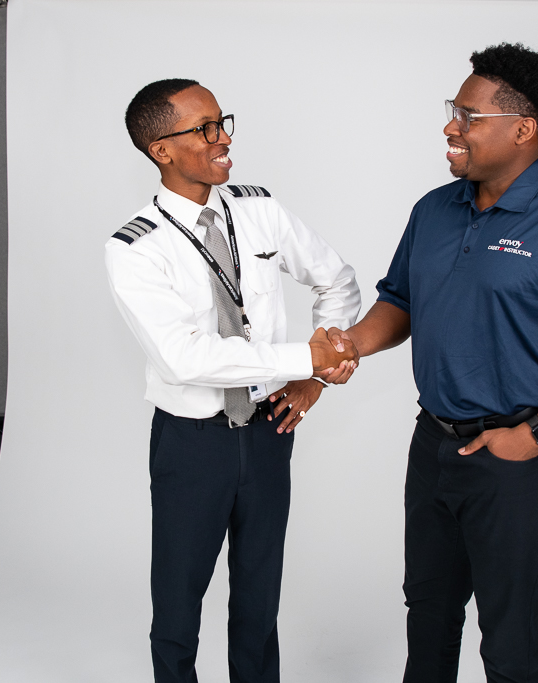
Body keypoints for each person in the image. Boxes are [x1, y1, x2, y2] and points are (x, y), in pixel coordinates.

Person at [327, 44, 538, 682]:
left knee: (508, 642)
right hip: (435, 445)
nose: (451, 127)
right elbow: (401, 300)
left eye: (468, 116)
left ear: (523, 129)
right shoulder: (434, 209)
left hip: (521, 459)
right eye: (454, 110)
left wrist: (534, 435)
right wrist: (354, 344)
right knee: (428, 613)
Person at [105, 78, 360, 683]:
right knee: (178, 601)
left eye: (223, 122)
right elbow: (184, 358)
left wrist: (313, 381)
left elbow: (337, 281)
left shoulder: (259, 209)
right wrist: (305, 358)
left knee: (259, 594)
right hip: (193, 441)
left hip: (269, 429)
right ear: (161, 150)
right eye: (205, 129)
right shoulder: (136, 248)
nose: (223, 139)